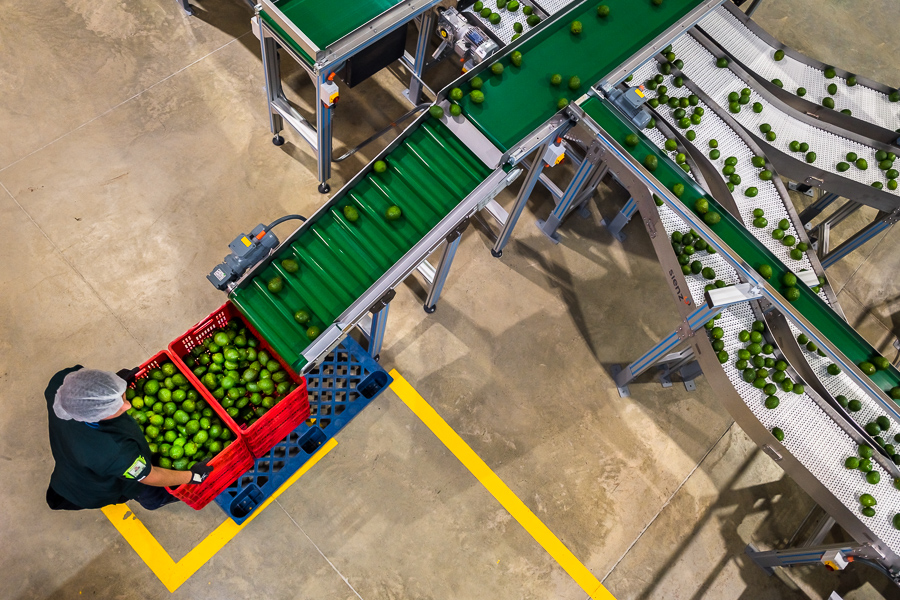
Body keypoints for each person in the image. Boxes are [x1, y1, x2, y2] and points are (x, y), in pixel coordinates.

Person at [45, 366, 214, 511]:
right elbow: (150, 475)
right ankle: (156, 501)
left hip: (73, 460)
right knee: (150, 494)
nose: (128, 406)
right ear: (96, 417)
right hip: (94, 488)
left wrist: (113, 387)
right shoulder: (114, 453)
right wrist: (192, 476)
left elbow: (89, 385)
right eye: (116, 409)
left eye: (122, 397)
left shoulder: (59, 383)